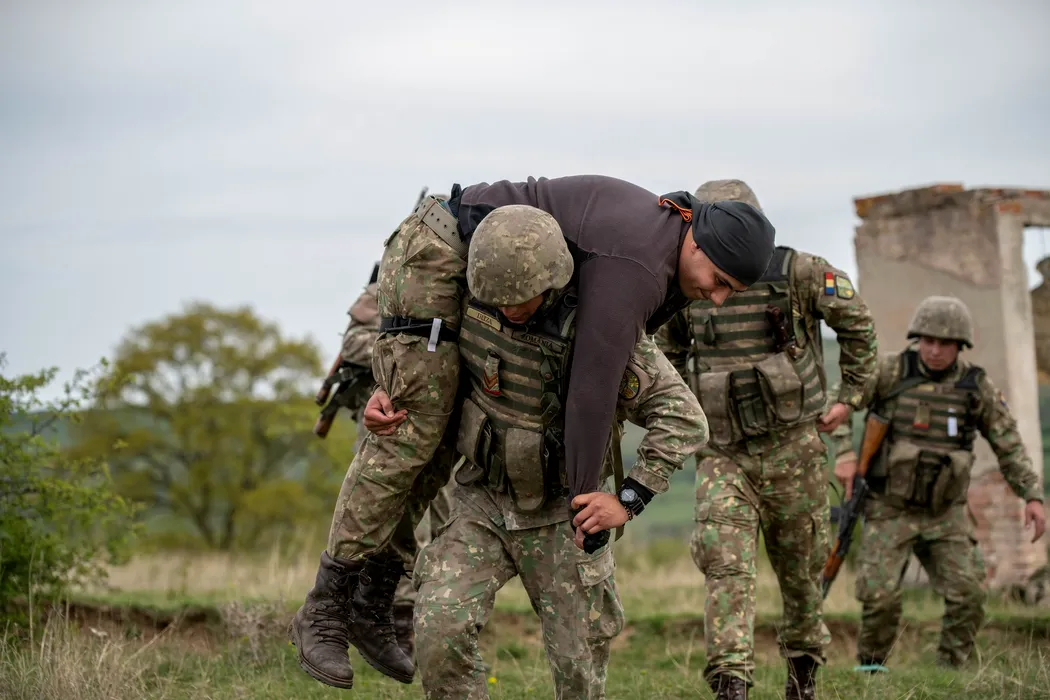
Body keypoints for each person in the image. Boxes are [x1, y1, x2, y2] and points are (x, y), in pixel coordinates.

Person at [292, 176, 776, 690]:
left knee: (577, 664)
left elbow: (623, 392)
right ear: (697, 243)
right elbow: (426, 343)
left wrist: (619, 501)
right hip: (482, 478)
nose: (717, 300)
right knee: (412, 433)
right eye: (719, 280)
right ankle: (335, 603)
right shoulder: (492, 281)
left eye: (729, 289)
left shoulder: (619, 274)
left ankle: (375, 594)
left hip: (553, 509)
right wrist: (396, 385)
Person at [367, 205, 709, 698]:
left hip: (562, 517)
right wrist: (388, 394)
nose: (508, 310)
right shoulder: (467, 306)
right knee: (439, 627)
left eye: (520, 298)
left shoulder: (601, 329)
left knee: (578, 667)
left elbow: (683, 417)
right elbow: (424, 359)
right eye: (497, 299)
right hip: (482, 500)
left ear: (552, 280)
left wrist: (629, 500)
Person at [655, 179, 878, 700]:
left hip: (794, 448)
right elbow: (664, 353)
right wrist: (682, 413)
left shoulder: (801, 272)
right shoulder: (684, 285)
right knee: (725, 566)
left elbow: (858, 324)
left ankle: (803, 679)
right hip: (723, 453)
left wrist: (850, 396)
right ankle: (730, 684)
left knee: (801, 574)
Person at [835, 295, 1047, 671]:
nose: (934, 351)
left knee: (968, 593)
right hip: (889, 508)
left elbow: (1009, 444)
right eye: (928, 341)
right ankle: (871, 668)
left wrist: (1031, 494)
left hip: (945, 514)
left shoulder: (975, 386)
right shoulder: (890, 372)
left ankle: (951, 669)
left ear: (960, 345)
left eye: (944, 343)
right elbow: (839, 403)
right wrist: (843, 454)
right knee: (879, 595)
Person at [336, 264, 457, 660]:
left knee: (444, 520)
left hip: (444, 424)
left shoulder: (464, 284)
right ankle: (395, 620)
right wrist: (401, 349)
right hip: (391, 417)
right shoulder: (389, 284)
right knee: (389, 519)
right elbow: (353, 343)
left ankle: (433, 618)